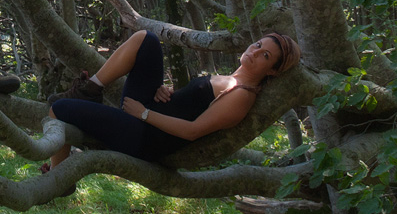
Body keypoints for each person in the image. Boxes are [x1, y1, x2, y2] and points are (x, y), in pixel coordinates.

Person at [45, 30, 300, 167]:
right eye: (258, 45)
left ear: (272, 71)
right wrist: (166, 92)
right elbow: (190, 105)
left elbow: (193, 130)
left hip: (146, 136)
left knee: (59, 108)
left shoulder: (242, 95)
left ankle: (57, 176)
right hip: (147, 113)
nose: (255, 52)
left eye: (266, 56)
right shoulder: (230, 79)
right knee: (146, 39)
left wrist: (144, 113)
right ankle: (90, 90)